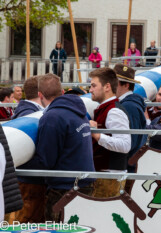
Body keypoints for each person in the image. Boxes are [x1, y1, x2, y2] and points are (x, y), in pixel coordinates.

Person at [21, 73, 95, 221]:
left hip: (64, 188)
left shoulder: (52, 117)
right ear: (62, 92)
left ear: (40, 95)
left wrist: (17, 164)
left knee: (57, 228)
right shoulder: (79, 110)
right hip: (85, 182)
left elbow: (46, 161)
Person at [89, 67, 131, 197]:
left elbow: (125, 145)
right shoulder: (109, 109)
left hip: (109, 178)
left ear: (107, 87)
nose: (90, 90)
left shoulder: (114, 111)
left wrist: (96, 134)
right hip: (106, 175)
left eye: (93, 86)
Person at [11, 76, 45, 223]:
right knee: (25, 221)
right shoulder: (28, 114)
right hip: (29, 181)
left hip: (29, 180)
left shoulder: (26, 111)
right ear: (41, 93)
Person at [114, 64, 146, 172]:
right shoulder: (129, 104)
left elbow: (131, 142)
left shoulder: (129, 106)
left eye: (115, 81)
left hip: (127, 166)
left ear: (126, 85)